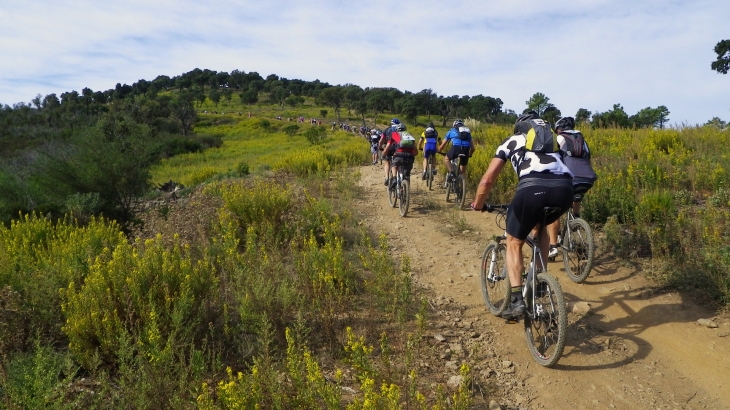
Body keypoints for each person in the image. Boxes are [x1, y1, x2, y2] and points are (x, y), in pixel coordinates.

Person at [470, 112, 574, 318]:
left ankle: (517, 300)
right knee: (540, 228)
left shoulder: (512, 141)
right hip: (564, 190)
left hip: (531, 189)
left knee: (514, 241)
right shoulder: (554, 141)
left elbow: (487, 180)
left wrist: (478, 204)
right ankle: (540, 282)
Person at [546, 116, 598, 258]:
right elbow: (588, 158)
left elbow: (549, 156)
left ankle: (552, 246)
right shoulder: (582, 140)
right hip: (588, 178)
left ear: (559, 129)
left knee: (553, 210)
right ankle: (576, 218)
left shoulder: (559, 138)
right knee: (577, 191)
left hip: (569, 178)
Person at [437, 119, 475, 184]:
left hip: (456, 147)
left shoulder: (451, 131)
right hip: (466, 149)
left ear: (454, 125)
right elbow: (473, 148)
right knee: (462, 171)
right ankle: (461, 188)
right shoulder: (467, 132)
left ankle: (451, 173)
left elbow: (442, 145)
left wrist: (439, 151)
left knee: (446, 159)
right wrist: (469, 154)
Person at [379, 118, 402, 185]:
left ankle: (387, 177)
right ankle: (400, 176)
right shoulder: (400, 129)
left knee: (387, 161)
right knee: (398, 162)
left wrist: (380, 147)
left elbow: (381, 141)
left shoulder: (387, 130)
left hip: (389, 147)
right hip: (399, 147)